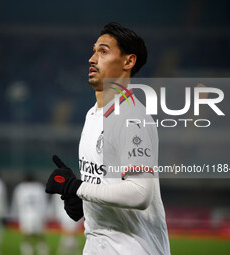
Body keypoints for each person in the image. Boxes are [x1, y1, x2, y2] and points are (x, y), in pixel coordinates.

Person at [45, 22, 170, 254]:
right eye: (93, 51)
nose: (92, 59)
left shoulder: (132, 117)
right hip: (97, 246)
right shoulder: (93, 115)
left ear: (128, 61)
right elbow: (106, 185)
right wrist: (82, 203)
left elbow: (139, 193)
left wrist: (78, 187)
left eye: (103, 51)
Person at [11, 174, 49, 255]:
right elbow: (44, 202)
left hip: (25, 215)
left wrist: (15, 214)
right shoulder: (39, 187)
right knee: (40, 236)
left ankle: (27, 252)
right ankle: (43, 252)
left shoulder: (20, 188)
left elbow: (16, 203)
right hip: (38, 215)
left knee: (26, 237)